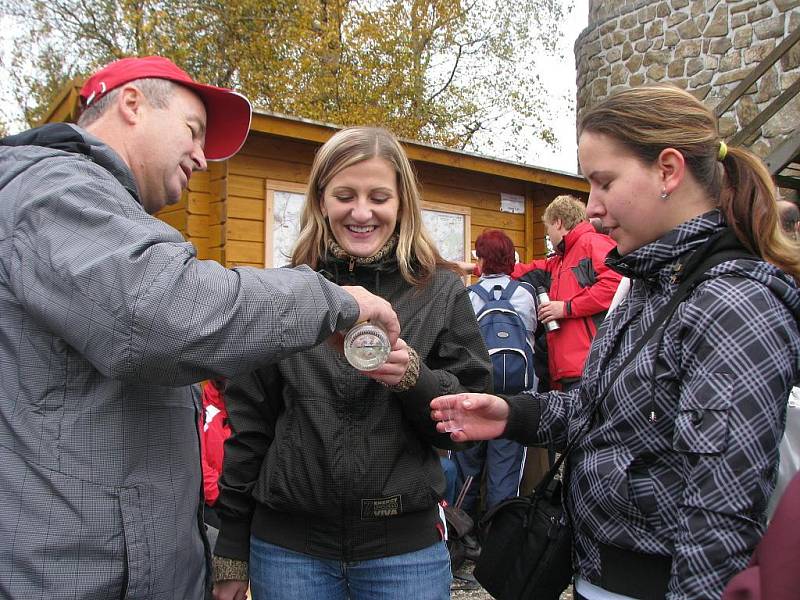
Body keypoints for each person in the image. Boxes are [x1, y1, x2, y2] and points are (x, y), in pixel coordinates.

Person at [0, 56, 401, 600]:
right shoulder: (54, 190)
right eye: (193, 132)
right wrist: (331, 300)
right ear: (133, 104)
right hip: (70, 575)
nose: (202, 159)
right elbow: (156, 316)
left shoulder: (101, 212)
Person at [430, 84, 800, 599]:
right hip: (598, 575)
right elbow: (599, 409)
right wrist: (512, 414)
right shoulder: (650, 281)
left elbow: (719, 517)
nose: (593, 208)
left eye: (604, 183)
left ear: (668, 170)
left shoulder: (734, 304)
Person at [211, 126, 492, 600]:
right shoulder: (287, 295)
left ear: (402, 202)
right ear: (321, 201)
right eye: (345, 195)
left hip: (404, 555)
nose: (361, 212)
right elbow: (249, 427)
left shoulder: (441, 291)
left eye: (378, 196)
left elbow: (466, 424)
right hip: (289, 553)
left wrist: (414, 379)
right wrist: (233, 546)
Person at [454, 229, 537, 517]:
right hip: (517, 392)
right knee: (506, 468)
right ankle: (497, 534)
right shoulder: (525, 293)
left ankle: (461, 532)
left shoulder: (468, 296)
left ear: (482, 258)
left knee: (467, 462)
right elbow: (531, 335)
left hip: (477, 387)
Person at [513, 194, 622, 394]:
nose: (548, 236)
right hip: (568, 372)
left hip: (589, 369)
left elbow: (615, 283)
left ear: (559, 223)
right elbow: (526, 269)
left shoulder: (592, 243)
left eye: (548, 229)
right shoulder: (561, 259)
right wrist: (478, 270)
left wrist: (566, 307)